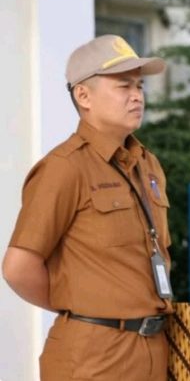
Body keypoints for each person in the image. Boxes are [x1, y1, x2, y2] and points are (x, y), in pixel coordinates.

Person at [2, 35, 173, 380]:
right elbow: (18, 268)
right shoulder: (64, 168)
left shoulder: (148, 165)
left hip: (154, 348)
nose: (137, 95)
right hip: (93, 357)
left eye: (139, 86)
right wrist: (82, 306)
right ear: (84, 96)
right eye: (124, 86)